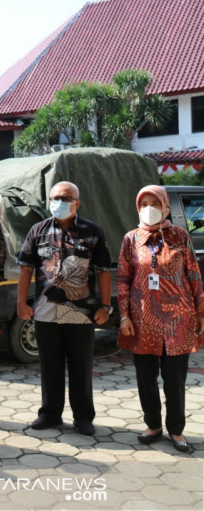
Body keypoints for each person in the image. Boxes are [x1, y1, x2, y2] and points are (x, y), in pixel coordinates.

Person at [17, 181, 112, 436]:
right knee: (50, 365)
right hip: (46, 310)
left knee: (80, 366)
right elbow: (26, 268)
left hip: (81, 312)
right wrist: (21, 303)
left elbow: (103, 271)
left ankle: (83, 418)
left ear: (77, 203)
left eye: (66, 197)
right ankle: (50, 414)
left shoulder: (92, 232)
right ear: (49, 201)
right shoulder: (37, 230)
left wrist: (106, 305)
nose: (60, 202)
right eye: (56, 197)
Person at [117, 185, 203, 454]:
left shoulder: (179, 236)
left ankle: (176, 430)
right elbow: (123, 278)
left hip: (179, 321)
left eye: (156, 202)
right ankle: (152, 426)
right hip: (143, 321)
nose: (150, 208)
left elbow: (195, 276)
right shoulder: (131, 239)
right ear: (138, 207)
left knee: (175, 380)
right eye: (145, 203)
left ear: (166, 206)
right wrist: (123, 316)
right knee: (146, 377)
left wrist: (201, 314)